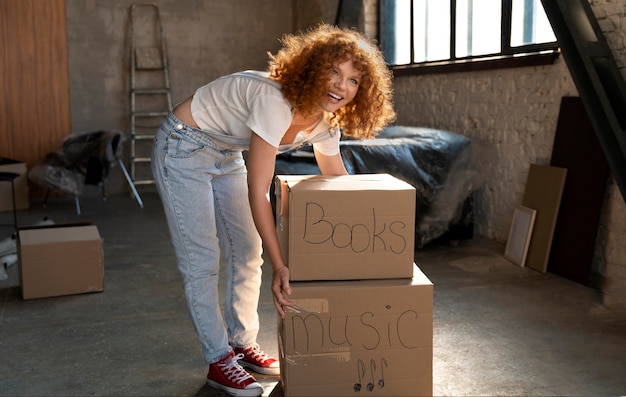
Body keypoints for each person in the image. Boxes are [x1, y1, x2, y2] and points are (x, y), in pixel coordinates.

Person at [151, 23, 395, 397]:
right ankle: (219, 360)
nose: (341, 86)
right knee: (202, 258)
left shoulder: (327, 124)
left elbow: (337, 184)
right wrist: (283, 264)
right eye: (333, 71)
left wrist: (368, 251)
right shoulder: (276, 100)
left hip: (226, 153)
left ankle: (241, 343)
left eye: (353, 80)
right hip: (183, 145)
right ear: (312, 67)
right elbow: (259, 192)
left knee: (249, 251)